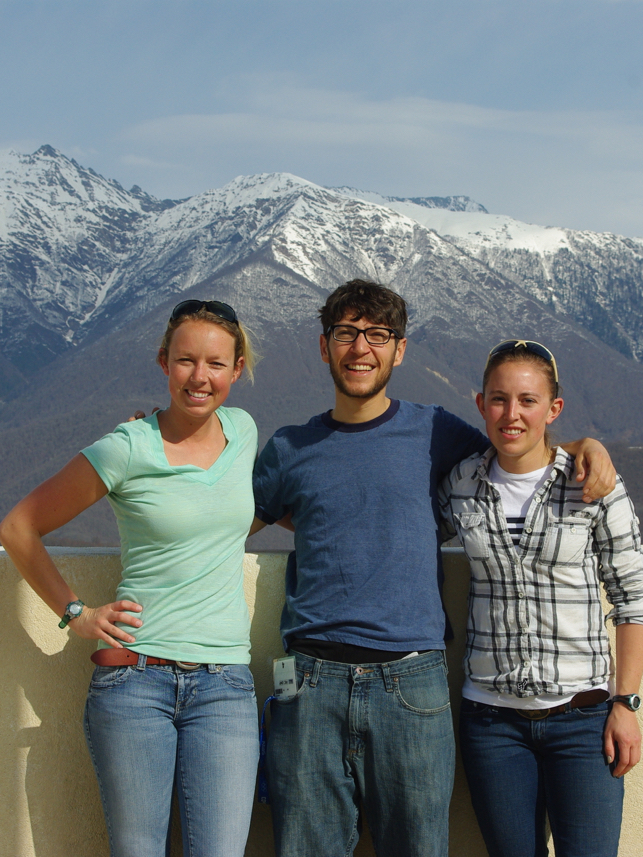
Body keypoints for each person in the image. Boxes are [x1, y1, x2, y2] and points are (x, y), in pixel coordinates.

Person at [251, 280, 618, 857]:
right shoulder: (289, 448)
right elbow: (222, 519)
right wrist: (169, 441)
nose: (360, 348)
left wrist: (586, 445)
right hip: (310, 681)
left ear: (399, 350)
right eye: (345, 333)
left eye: (377, 335)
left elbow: (517, 446)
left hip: (412, 684)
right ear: (324, 347)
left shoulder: (435, 432)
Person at [0, 299, 260, 857]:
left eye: (216, 364)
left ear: (237, 370)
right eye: (186, 360)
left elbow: (224, 512)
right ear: (163, 362)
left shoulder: (244, 432)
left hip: (226, 688)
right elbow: (19, 527)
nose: (200, 377)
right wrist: (77, 614)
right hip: (135, 683)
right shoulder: (126, 447)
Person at [437, 339, 643, 857]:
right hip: (492, 725)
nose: (511, 414)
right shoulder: (460, 484)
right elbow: (404, 528)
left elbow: (632, 596)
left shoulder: (591, 483)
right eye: (498, 399)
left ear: (552, 409)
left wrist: (625, 703)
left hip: (582, 720)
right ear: (480, 404)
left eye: (527, 400)